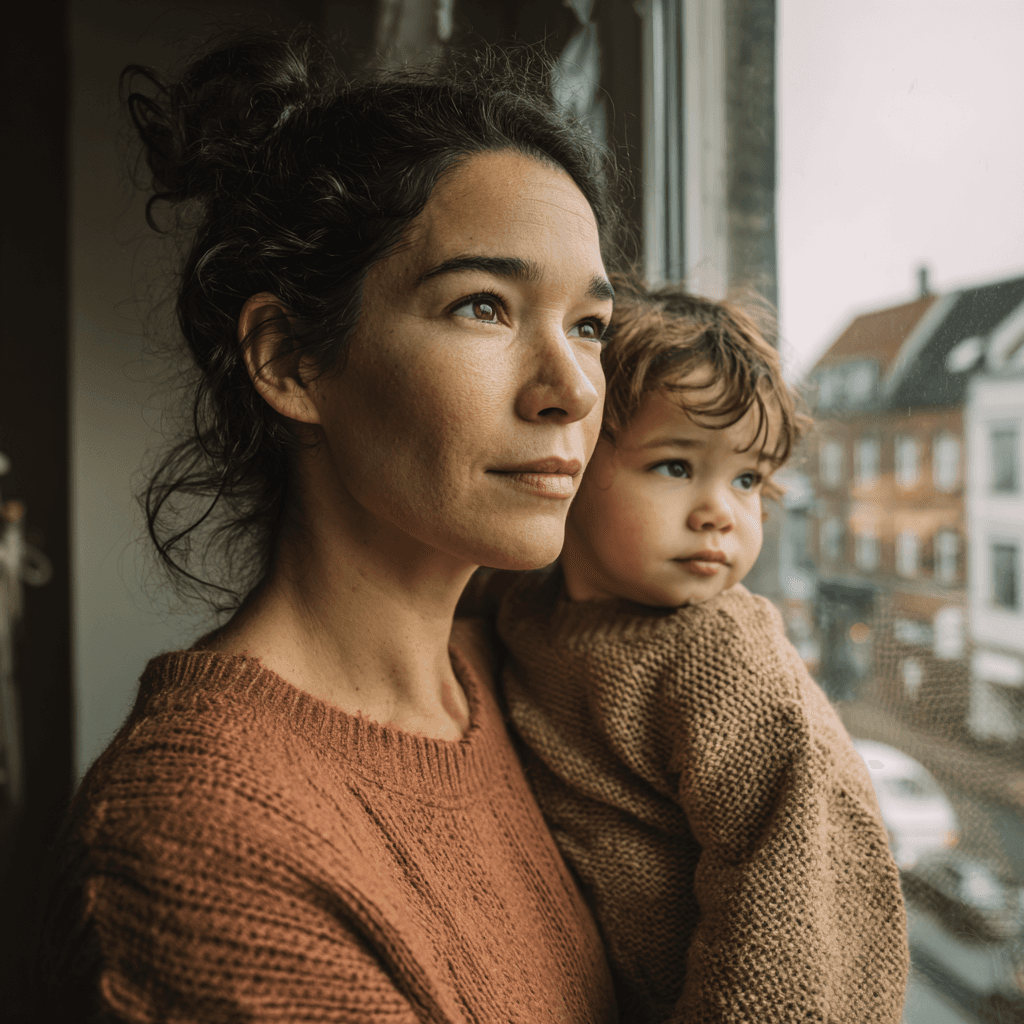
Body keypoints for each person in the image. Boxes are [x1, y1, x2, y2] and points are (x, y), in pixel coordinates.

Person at [37, 28, 624, 1021]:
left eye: (589, 325)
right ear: (290, 361)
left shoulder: (543, 688)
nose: (571, 388)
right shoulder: (200, 831)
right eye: (483, 305)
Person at [495, 277, 910, 1023]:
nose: (722, 512)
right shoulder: (522, 608)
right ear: (574, 462)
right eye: (677, 466)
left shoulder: (722, 654)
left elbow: (788, 901)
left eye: (749, 478)